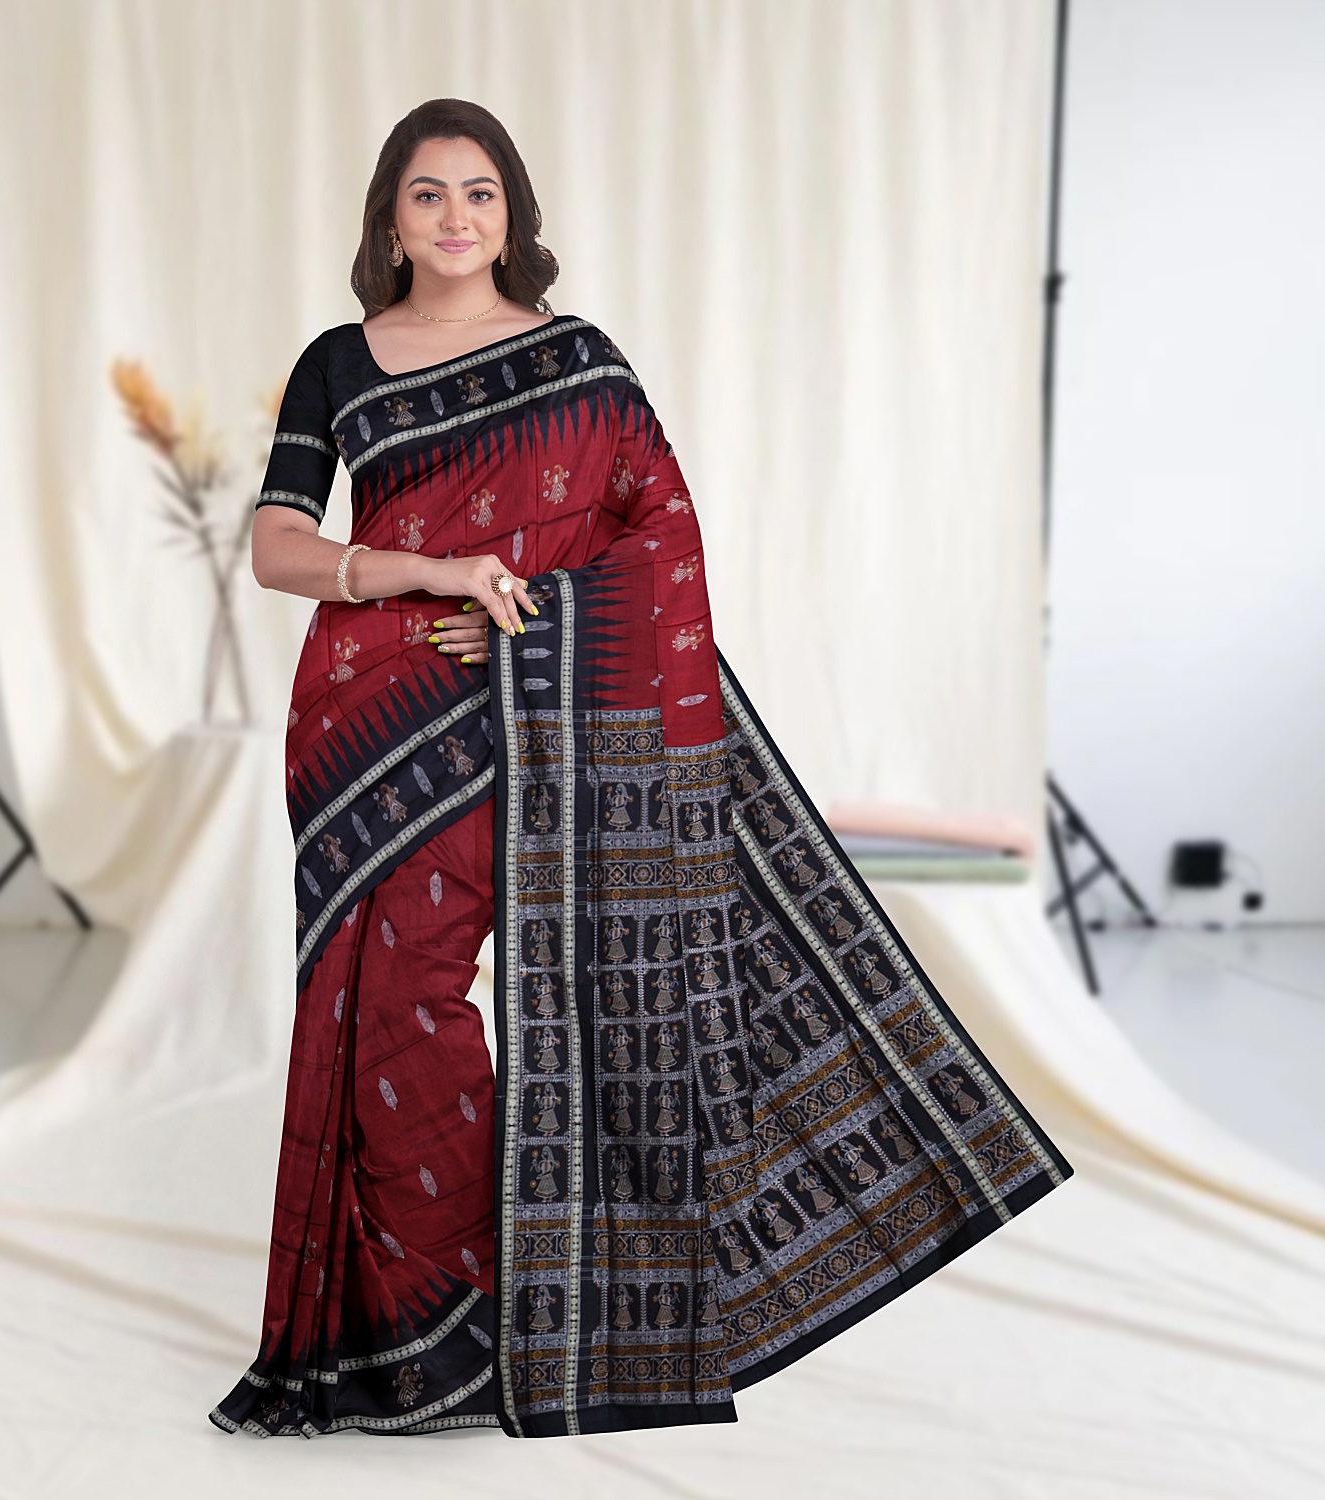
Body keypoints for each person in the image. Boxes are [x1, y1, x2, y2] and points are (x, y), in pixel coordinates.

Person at [210, 98, 1071, 1442]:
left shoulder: (581, 363)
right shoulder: (338, 362)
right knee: (384, 1009)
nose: (455, 217)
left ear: (513, 213)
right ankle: (421, 1332)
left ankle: (514, 1305)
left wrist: (529, 613)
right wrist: (431, 568)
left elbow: (661, 537)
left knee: (459, 998)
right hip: (367, 716)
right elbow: (275, 545)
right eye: (428, 194)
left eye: (480, 193)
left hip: (529, 712)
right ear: (390, 219)